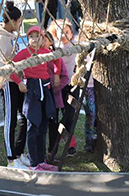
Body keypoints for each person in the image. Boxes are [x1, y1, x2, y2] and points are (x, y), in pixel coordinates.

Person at [10, 26, 58, 171]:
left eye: (38, 36)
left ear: (43, 39)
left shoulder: (46, 52)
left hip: (45, 89)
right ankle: (33, 163)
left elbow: (57, 62)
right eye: (31, 36)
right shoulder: (24, 53)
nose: (34, 39)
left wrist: (56, 73)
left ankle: (41, 160)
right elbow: (11, 68)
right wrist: (19, 83)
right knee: (33, 126)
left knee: (43, 125)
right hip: (32, 91)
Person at [0, 1, 29, 168]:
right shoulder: (1, 37)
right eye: (19, 20)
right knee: (10, 119)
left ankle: (19, 153)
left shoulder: (12, 37)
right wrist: (5, 80)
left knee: (25, 117)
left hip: (19, 81)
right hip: (9, 83)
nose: (20, 24)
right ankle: (11, 158)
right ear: (13, 21)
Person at [47, 19, 77, 156]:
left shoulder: (76, 45)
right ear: (55, 34)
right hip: (58, 86)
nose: (64, 35)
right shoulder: (54, 48)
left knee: (69, 115)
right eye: (60, 32)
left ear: (71, 33)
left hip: (73, 83)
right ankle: (57, 145)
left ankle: (67, 140)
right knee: (57, 114)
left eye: (67, 32)